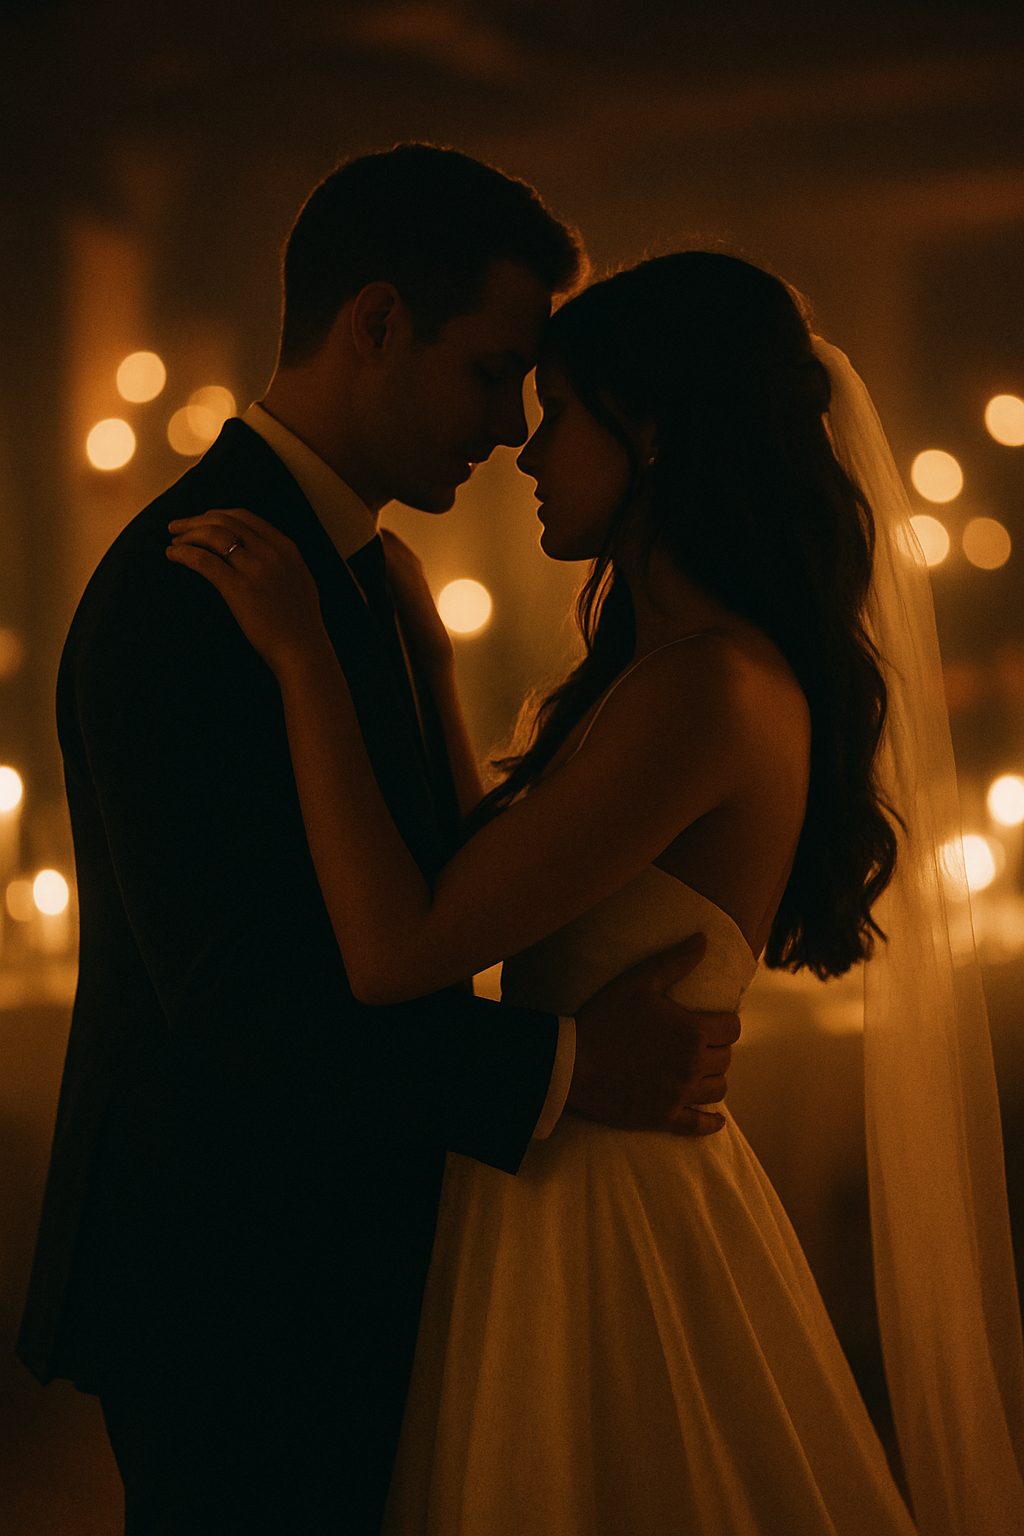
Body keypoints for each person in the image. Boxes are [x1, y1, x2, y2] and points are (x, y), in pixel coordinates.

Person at [170, 250, 1024, 1534]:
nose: (524, 447)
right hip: (563, 1181)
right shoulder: (665, 671)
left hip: (612, 1216)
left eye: (560, 409)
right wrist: (428, 655)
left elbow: (400, 947)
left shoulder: (707, 691)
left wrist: (305, 664)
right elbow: (489, 881)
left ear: (656, 431)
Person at [16, 150, 743, 1536]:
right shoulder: (199, 582)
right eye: (491, 372)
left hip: (332, 1253)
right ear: (374, 326)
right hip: (233, 1279)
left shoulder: (360, 570)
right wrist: (573, 1068)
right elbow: (237, 1000)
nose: (513, 423)